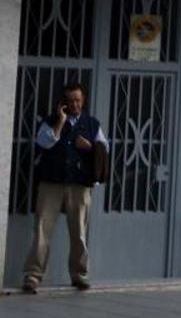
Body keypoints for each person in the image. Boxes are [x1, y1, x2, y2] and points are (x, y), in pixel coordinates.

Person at [22, 83, 109, 294]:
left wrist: (89, 147)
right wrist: (60, 122)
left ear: (83, 100)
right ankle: (33, 277)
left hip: (79, 185)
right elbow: (43, 142)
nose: (74, 104)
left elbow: (104, 150)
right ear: (63, 102)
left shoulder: (92, 124)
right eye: (70, 100)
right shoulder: (51, 121)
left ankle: (79, 275)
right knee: (42, 230)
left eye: (78, 100)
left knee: (79, 232)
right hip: (51, 183)